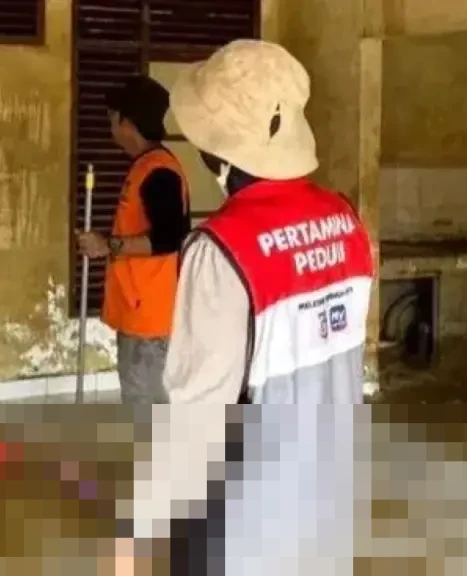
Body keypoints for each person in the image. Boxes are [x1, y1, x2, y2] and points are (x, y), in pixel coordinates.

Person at [113, 40, 374, 575]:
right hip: (328, 491)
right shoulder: (346, 220)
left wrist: (139, 533)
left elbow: (197, 416)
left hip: (249, 514)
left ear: (217, 154)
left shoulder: (221, 251)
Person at [75, 74, 192, 404]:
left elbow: (169, 237)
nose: (110, 125)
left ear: (126, 122)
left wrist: (107, 245)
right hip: (139, 312)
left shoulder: (159, 171)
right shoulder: (146, 166)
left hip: (150, 319)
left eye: (112, 117)